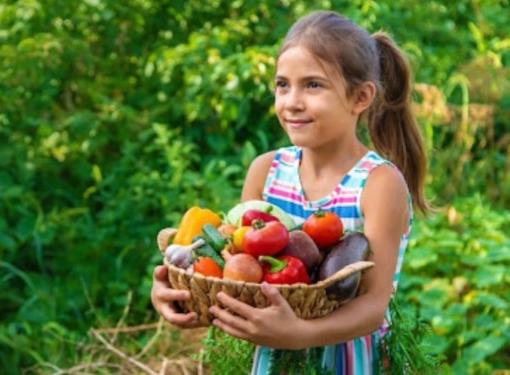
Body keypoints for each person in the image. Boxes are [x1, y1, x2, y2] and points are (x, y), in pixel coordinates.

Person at [151, 9, 431, 374]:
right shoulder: (266, 171)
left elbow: (372, 307)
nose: (291, 101)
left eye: (313, 85)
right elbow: (238, 273)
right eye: (283, 84)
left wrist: (299, 334)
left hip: (351, 362)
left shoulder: (378, 183)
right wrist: (184, 296)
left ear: (361, 97)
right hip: (275, 362)